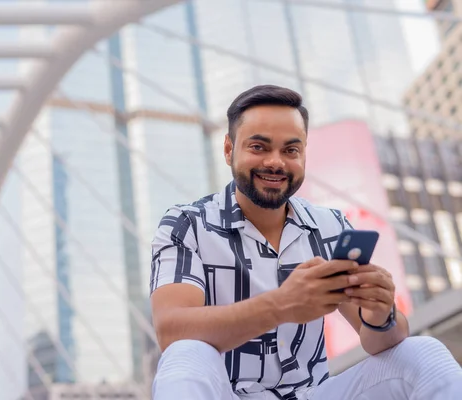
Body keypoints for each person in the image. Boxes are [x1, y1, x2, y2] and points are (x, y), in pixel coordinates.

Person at [149, 85, 462, 400]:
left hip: (313, 395)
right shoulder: (187, 224)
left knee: (425, 352)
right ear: (229, 150)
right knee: (186, 354)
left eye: (291, 150)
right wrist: (281, 305)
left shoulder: (331, 226)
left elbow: (378, 342)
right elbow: (172, 330)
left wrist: (381, 315)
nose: (276, 162)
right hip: (225, 394)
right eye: (259, 147)